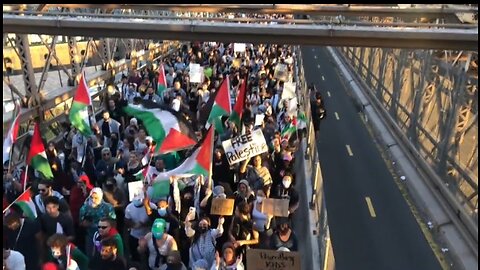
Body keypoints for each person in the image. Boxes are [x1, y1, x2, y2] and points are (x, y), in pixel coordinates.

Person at [79, 188, 115, 258]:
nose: (93, 200)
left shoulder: (108, 208)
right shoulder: (84, 208)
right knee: (91, 256)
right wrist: (85, 223)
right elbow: (80, 222)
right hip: (90, 235)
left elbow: (113, 222)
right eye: (92, 197)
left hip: (105, 237)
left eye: (96, 198)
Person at [124, 195, 155, 262]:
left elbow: (155, 220)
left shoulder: (151, 206)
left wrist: (144, 224)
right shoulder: (129, 207)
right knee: (135, 257)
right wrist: (133, 225)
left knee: (149, 256)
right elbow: (126, 221)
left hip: (148, 236)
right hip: (134, 235)